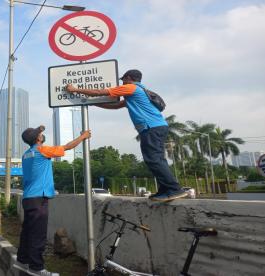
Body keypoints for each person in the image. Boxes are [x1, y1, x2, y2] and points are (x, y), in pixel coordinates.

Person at [65, 69, 187, 202]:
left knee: (154, 159)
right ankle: (165, 189)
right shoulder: (140, 91)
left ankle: (174, 189)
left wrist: (75, 89)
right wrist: (91, 102)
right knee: (156, 159)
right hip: (156, 127)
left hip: (151, 127)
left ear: (129, 78)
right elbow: (117, 105)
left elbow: (100, 92)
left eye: (123, 79)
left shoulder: (130, 88)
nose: (122, 82)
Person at [17, 125, 91, 276]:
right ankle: (36, 268)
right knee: (38, 234)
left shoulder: (26, 154)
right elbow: (67, 147)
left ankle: (22, 260)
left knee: (28, 232)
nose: (42, 134)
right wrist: (83, 137)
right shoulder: (42, 150)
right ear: (37, 138)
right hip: (39, 198)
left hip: (28, 198)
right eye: (40, 133)